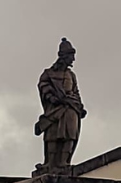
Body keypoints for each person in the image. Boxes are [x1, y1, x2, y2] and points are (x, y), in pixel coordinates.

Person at [36, 38, 86, 173]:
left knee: (70, 134)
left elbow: (76, 91)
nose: (73, 59)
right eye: (71, 56)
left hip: (71, 108)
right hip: (55, 109)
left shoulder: (71, 75)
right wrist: (51, 97)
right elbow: (43, 86)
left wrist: (80, 106)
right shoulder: (48, 73)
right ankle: (49, 163)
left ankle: (64, 162)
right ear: (64, 56)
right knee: (52, 135)